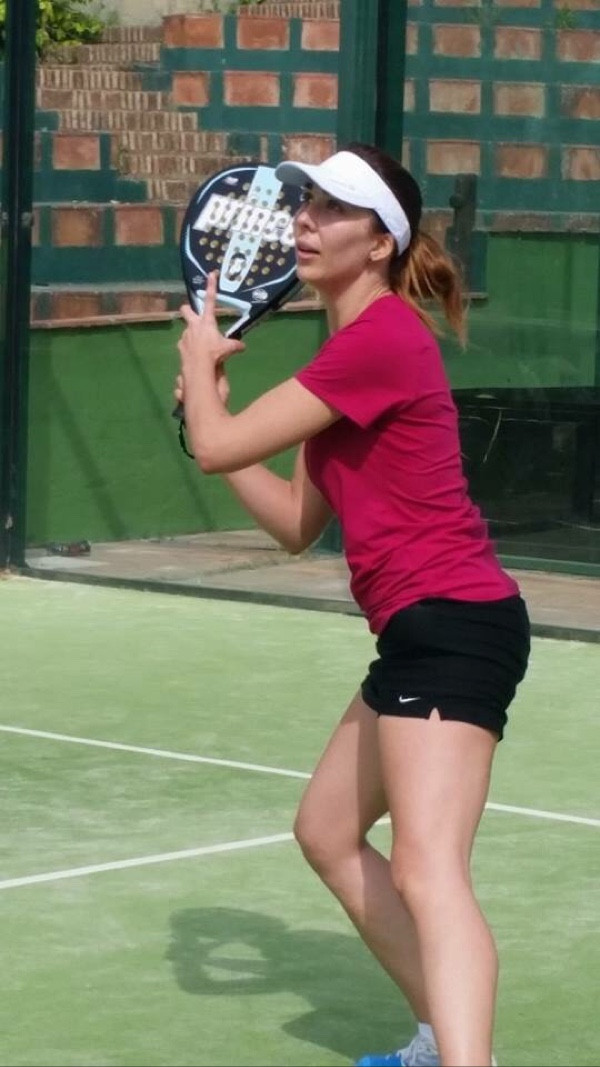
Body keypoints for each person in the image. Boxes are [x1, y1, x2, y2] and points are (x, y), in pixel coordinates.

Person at [174, 143, 530, 1067]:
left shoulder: (381, 340)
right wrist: (210, 413)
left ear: (379, 244)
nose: (306, 219)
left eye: (333, 208)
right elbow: (296, 520)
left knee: (427, 868)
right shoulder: (347, 355)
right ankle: (439, 1037)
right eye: (307, 204)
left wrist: (201, 372)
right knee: (328, 832)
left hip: (453, 622)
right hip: (421, 631)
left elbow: (213, 445)